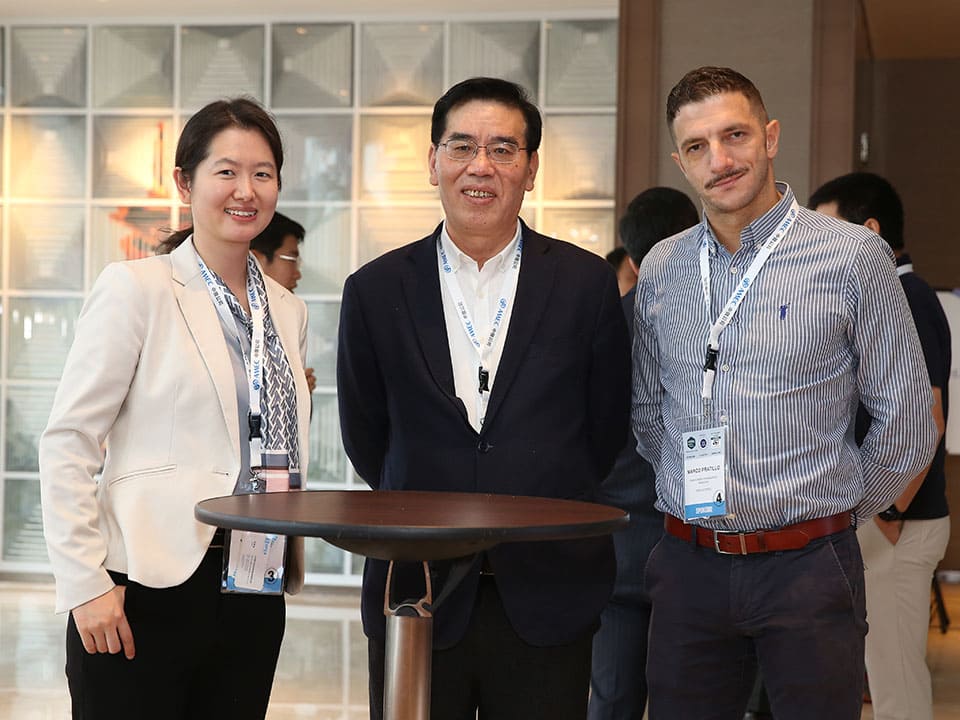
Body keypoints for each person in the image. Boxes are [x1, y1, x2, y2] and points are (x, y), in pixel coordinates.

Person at [631, 66, 938, 720]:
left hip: (809, 568)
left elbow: (908, 422)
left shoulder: (853, 257)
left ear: (770, 137)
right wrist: (689, 488)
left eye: (735, 135)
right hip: (688, 566)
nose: (719, 160)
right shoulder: (662, 267)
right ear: (680, 163)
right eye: (696, 146)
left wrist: (830, 513)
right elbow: (648, 412)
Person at [336, 76, 630, 720]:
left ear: (530, 169)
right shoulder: (375, 290)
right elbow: (366, 436)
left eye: (503, 149)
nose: (481, 166)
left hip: (549, 589)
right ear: (433, 161)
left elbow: (605, 428)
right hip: (417, 591)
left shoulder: (584, 284)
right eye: (463, 146)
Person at [39, 97, 313, 720]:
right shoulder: (138, 289)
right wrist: (85, 585)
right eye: (226, 171)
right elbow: (69, 441)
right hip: (143, 585)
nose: (246, 190)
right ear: (186, 183)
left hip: (254, 582)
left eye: (263, 173)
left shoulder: (288, 311)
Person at [810, 172, 951, 720]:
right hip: (889, 519)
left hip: (899, 523)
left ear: (869, 231)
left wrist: (889, 510)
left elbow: (927, 416)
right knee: (887, 674)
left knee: (897, 687)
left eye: (829, 233)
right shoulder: (895, 295)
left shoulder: (907, 296)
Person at [588, 187, 699, 720]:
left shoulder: (603, 328)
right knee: (695, 699)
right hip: (701, 544)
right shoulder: (726, 325)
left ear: (631, 260)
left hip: (619, 542)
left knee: (612, 697)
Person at [250, 211, 316, 392]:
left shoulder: (293, 312)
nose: (298, 274)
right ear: (255, 259)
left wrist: (299, 396)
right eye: (291, 259)